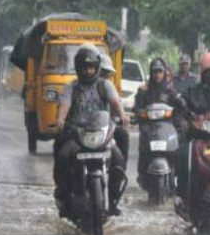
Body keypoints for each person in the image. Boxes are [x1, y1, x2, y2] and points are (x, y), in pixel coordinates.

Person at [53, 43, 129, 217]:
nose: (88, 71)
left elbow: (115, 103)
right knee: (62, 155)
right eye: (84, 68)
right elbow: (65, 104)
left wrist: (123, 116)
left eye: (91, 67)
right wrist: (61, 119)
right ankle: (63, 195)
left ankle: (114, 198)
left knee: (118, 159)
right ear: (78, 68)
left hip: (102, 134)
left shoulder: (105, 85)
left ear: (97, 67)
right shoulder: (71, 87)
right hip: (77, 135)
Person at [175, 52, 210, 199]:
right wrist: (186, 117)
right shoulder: (193, 92)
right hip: (199, 138)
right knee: (181, 154)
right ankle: (183, 195)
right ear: (203, 73)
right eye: (209, 72)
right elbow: (180, 107)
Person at [134, 57, 189, 188]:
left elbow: (180, 105)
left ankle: (180, 174)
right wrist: (137, 114)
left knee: (181, 143)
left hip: (168, 128)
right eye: (155, 72)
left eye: (160, 71)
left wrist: (184, 109)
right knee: (143, 149)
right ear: (151, 73)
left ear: (164, 73)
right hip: (149, 128)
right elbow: (137, 108)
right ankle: (142, 174)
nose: (157, 75)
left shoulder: (170, 92)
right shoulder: (144, 92)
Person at [99, 52, 130, 165]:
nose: (105, 76)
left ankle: (120, 171)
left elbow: (116, 103)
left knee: (123, 134)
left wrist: (122, 117)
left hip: (106, 127)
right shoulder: (78, 85)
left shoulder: (108, 86)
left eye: (107, 73)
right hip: (84, 130)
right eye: (102, 72)